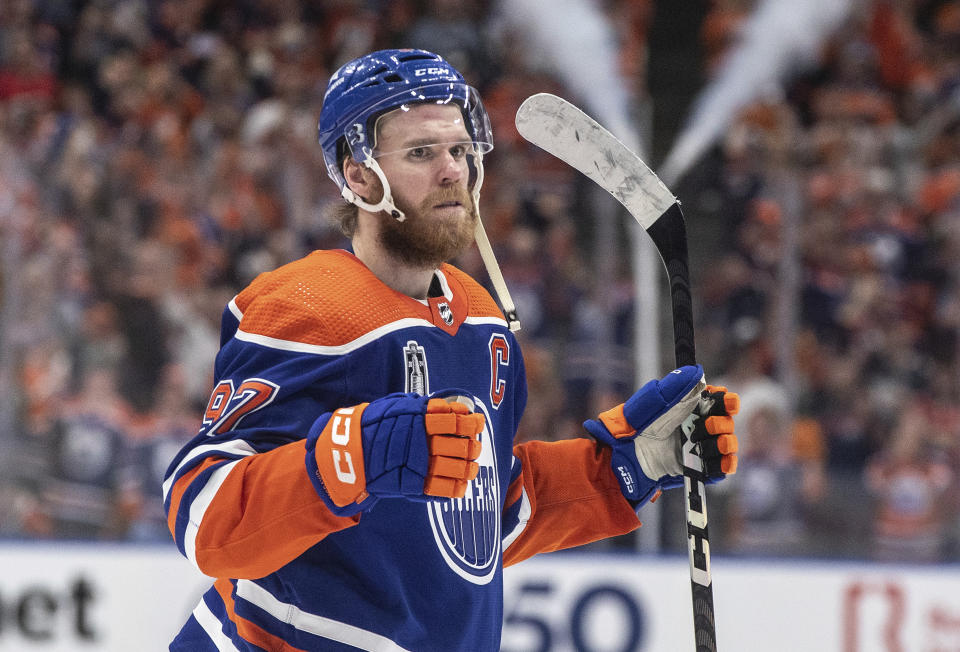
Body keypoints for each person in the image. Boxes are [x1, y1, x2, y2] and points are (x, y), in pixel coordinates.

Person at [163, 48, 740, 651]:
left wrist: (626, 466)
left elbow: (477, 526)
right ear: (357, 174)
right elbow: (203, 514)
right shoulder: (307, 305)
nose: (452, 172)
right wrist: (350, 457)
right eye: (421, 153)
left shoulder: (481, 321)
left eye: (461, 151)